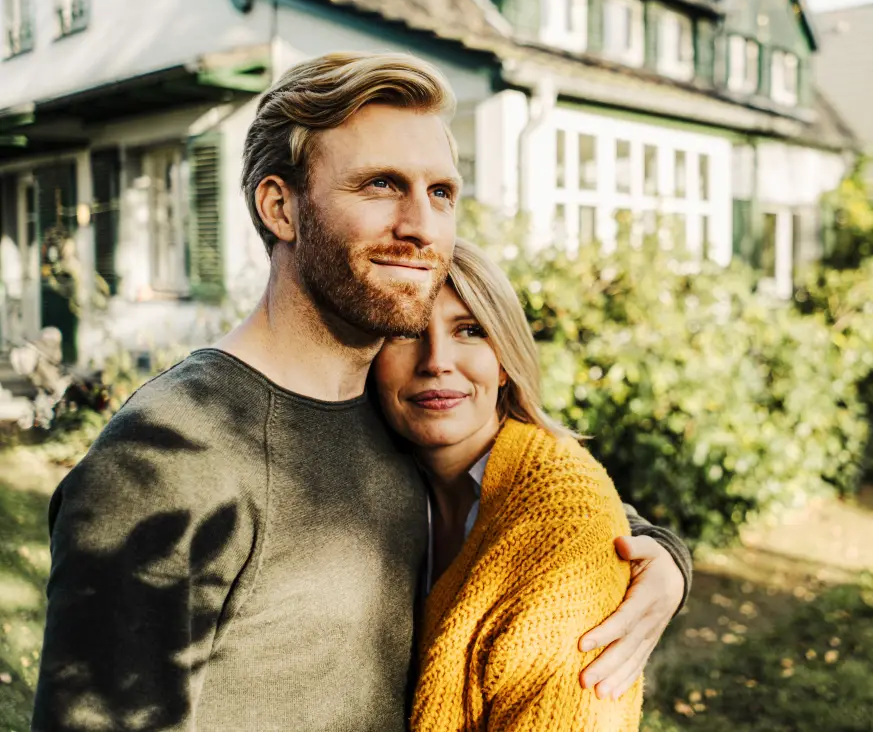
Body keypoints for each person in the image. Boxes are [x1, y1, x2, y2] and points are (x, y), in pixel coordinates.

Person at [32, 52, 691, 731]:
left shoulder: (391, 408)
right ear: (280, 206)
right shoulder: (169, 460)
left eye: (440, 193)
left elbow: (527, 506)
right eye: (381, 185)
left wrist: (662, 557)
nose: (421, 226)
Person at [374, 240, 643, 730]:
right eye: (405, 333)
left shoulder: (564, 514)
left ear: (503, 362)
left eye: (469, 331)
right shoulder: (376, 480)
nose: (436, 360)